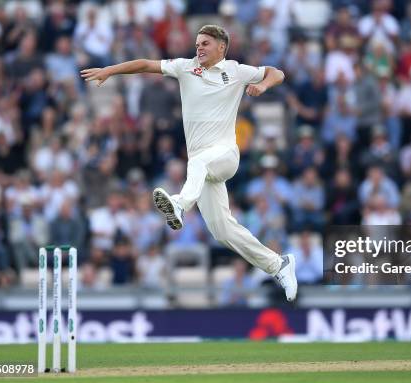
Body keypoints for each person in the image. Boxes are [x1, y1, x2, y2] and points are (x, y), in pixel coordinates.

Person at [81, 25, 297, 301]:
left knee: (197, 164)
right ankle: (279, 264)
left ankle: (180, 206)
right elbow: (147, 64)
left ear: (221, 47)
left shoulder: (236, 70)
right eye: (197, 44)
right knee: (222, 230)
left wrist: (262, 85)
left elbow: (276, 72)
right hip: (203, 168)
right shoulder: (185, 67)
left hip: (225, 155)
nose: (199, 48)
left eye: (205, 44)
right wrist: (110, 70)